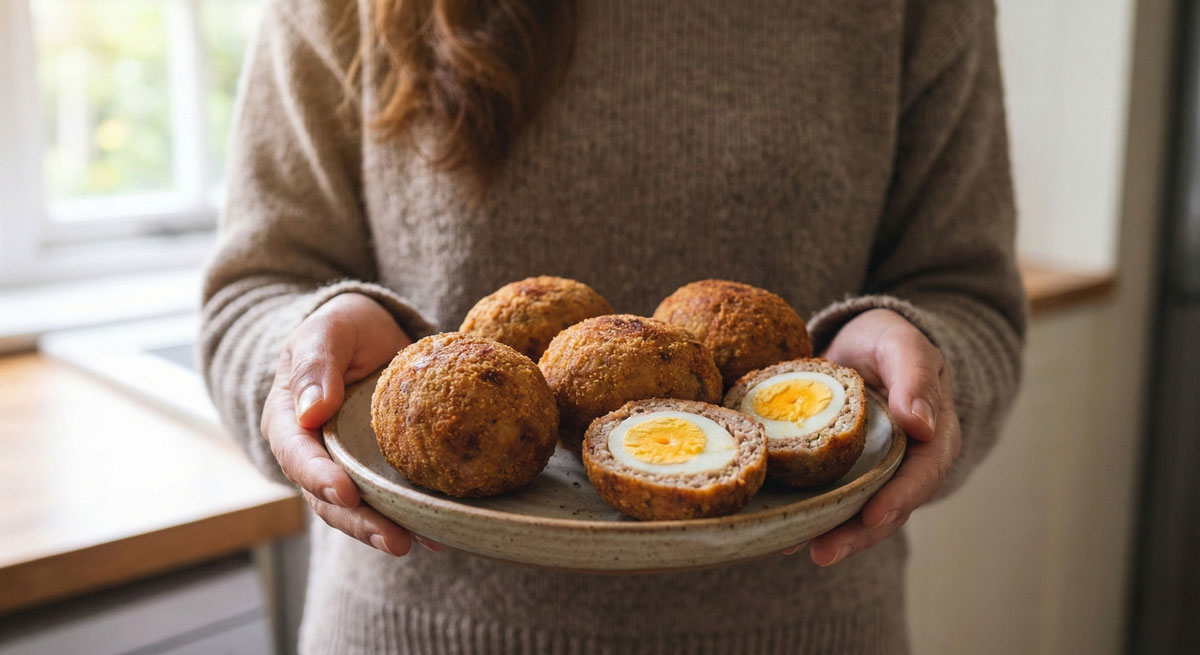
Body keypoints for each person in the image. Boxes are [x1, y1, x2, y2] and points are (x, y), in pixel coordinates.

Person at [199, 0, 1026, 652]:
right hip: (416, 626)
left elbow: (968, 293)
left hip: (806, 626)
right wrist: (307, 352)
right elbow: (254, 288)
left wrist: (925, 373)